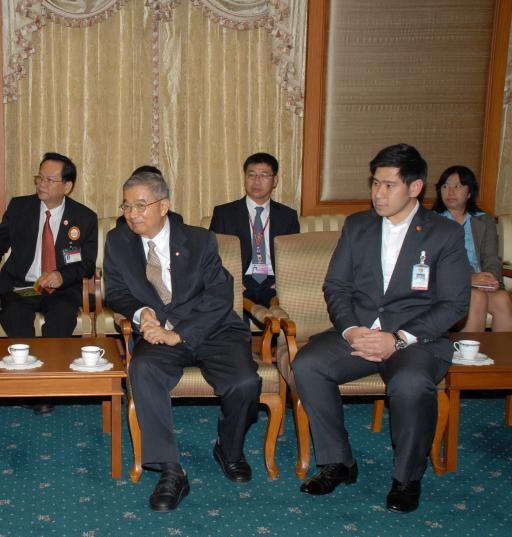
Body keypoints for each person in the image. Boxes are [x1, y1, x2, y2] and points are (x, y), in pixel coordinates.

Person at [291, 144, 471, 514]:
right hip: (360, 332)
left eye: (389, 185)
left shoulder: (444, 234)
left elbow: (454, 304)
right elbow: (336, 286)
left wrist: (398, 338)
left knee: (410, 383)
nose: (378, 193)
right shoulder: (358, 226)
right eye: (375, 183)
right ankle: (338, 461)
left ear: (415, 188)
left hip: (415, 340)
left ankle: (407, 478)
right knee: (308, 365)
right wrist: (351, 330)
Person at [104, 171, 261, 512]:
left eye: (141, 205)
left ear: (164, 206)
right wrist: (142, 313)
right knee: (143, 369)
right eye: (127, 206)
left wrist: (179, 333)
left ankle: (229, 449)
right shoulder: (117, 241)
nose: (132, 214)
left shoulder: (199, 240)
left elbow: (220, 297)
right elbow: (115, 292)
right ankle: (170, 470)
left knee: (245, 382)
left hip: (212, 330)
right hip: (157, 334)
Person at [0, 152, 97, 415]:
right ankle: (28, 385)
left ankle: (46, 388)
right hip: (23, 287)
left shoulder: (84, 217)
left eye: (49, 180)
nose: (41, 184)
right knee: (16, 316)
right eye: (39, 177)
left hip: (61, 290)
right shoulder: (20, 207)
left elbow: (87, 263)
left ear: (67, 186)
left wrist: (63, 275)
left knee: (62, 318)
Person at [209, 152, 299, 307]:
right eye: (251, 175)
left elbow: (294, 256)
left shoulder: (287, 216)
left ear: (275, 180)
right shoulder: (224, 213)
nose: (257, 181)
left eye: (264, 175)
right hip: (239, 281)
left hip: (274, 283)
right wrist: (231, 281)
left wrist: (284, 282)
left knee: (285, 311)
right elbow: (212, 254)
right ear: (245, 178)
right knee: (232, 313)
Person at [433, 165, 512, 332]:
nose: (450, 192)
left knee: (503, 299)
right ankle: (469, 349)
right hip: (450, 284)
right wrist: (468, 278)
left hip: (482, 282)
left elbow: (491, 257)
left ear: (469, 193)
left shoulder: (484, 220)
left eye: (457, 186)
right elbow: (433, 262)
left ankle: (501, 349)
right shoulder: (432, 222)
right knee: (477, 297)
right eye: (445, 186)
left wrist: (491, 279)